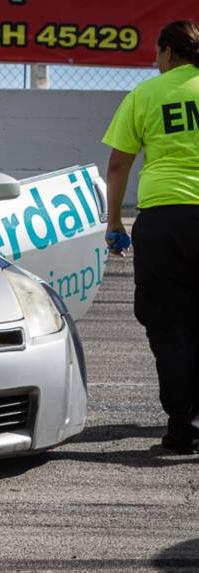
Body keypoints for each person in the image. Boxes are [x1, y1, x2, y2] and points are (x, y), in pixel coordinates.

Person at [102, 19, 199, 454]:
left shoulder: (145, 94)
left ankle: (182, 425)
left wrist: (114, 222)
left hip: (164, 217)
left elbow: (118, 164)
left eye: (157, 53)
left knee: (169, 325)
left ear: (168, 52)